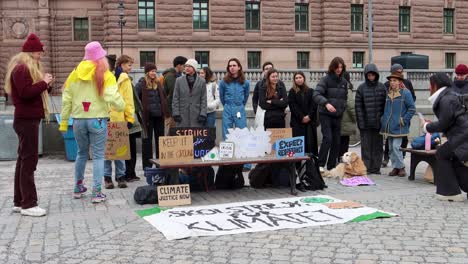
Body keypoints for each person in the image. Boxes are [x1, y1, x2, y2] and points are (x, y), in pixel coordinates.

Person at [60, 41, 125, 203]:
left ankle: (78, 187)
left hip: (78, 120)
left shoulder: (74, 73)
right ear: (100, 57)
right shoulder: (105, 74)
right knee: (98, 156)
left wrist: (63, 122)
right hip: (97, 119)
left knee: (81, 154)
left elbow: (66, 99)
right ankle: (96, 192)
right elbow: (111, 96)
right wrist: (121, 105)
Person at [4, 33, 53, 216]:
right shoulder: (22, 69)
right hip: (26, 120)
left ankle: (19, 201)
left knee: (23, 161)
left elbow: (31, 92)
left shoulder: (23, 68)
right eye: (39, 52)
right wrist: (43, 83)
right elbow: (25, 93)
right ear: (32, 52)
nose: (41, 55)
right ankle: (29, 204)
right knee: (29, 162)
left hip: (26, 119)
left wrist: (45, 85)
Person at [423, 73, 468, 202]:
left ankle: (450, 192)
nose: (429, 88)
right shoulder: (450, 96)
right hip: (462, 135)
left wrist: (427, 127)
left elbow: (444, 123)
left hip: (462, 136)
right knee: (453, 158)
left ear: (435, 86)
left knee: (442, 153)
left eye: (430, 85)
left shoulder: (446, 99)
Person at [103, 55, 135, 189]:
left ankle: (120, 176)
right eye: (129, 65)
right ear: (121, 65)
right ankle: (107, 177)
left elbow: (128, 100)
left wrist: (130, 117)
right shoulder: (107, 77)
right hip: (105, 117)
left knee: (120, 149)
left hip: (119, 118)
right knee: (107, 150)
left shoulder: (125, 79)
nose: (131, 67)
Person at [313, 57, 348, 171]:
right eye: (337, 67)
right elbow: (316, 95)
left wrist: (342, 109)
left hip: (338, 115)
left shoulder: (344, 82)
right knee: (328, 138)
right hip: (325, 114)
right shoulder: (325, 80)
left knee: (337, 141)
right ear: (332, 67)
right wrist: (326, 104)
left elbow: (344, 98)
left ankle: (332, 165)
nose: (339, 69)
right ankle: (320, 164)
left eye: (341, 67)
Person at [380, 72, 415, 177]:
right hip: (389, 125)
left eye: (394, 80)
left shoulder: (406, 93)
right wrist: (383, 119)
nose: (392, 83)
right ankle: (395, 167)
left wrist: (404, 120)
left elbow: (412, 109)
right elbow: (386, 110)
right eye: (391, 81)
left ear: (400, 82)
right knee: (390, 148)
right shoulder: (389, 93)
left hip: (399, 126)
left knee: (396, 147)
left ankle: (401, 167)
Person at [135, 63, 169, 169]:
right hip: (147, 117)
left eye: (155, 71)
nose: (153, 73)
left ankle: (160, 163)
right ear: (147, 72)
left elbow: (163, 97)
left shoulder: (159, 84)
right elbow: (136, 99)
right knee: (147, 142)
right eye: (151, 71)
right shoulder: (141, 84)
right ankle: (147, 165)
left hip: (159, 116)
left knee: (160, 140)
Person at [355, 63, 387, 174]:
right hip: (366, 123)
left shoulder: (382, 87)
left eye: (373, 75)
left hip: (378, 123)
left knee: (378, 147)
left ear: (376, 75)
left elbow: (385, 106)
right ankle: (367, 167)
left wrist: (383, 121)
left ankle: (376, 167)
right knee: (366, 147)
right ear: (366, 75)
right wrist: (361, 123)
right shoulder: (361, 88)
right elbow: (358, 108)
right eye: (369, 75)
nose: (371, 77)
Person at [288, 71, 318, 159]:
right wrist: (302, 117)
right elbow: (293, 106)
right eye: (296, 78)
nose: (298, 79)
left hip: (309, 123)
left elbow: (314, 105)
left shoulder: (311, 91)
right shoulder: (292, 92)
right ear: (294, 80)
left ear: (304, 78)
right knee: (298, 148)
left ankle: (311, 168)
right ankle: (298, 168)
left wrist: (309, 116)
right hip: (297, 123)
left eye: (300, 77)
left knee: (310, 146)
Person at [218, 58, 250, 140]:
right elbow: (221, 96)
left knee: (242, 130)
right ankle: (228, 151)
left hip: (239, 108)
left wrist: (240, 105)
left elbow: (246, 96)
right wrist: (227, 105)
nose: (232, 67)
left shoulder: (245, 82)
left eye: (234, 65)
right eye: (230, 66)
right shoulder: (223, 82)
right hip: (228, 108)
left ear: (239, 67)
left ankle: (242, 150)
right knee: (227, 131)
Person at [172, 59, 207, 127]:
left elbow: (203, 99)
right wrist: (176, 113)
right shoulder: (179, 80)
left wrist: (203, 114)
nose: (187, 68)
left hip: (196, 115)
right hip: (182, 115)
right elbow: (175, 98)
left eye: (189, 66)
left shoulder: (202, 81)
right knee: (183, 137)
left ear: (194, 68)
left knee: (195, 137)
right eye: (186, 66)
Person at [163, 56, 188, 135]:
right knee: (171, 133)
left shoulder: (178, 75)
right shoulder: (171, 76)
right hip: (171, 110)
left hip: (176, 109)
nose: (185, 68)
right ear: (178, 65)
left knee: (175, 133)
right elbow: (174, 93)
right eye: (184, 66)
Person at [338, 72, 357, 158]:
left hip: (338, 119)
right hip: (346, 120)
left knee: (338, 142)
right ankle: (342, 160)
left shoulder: (336, 87)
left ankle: (337, 159)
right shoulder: (347, 89)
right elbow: (350, 105)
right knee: (344, 142)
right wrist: (355, 118)